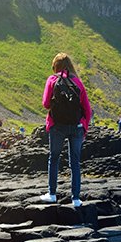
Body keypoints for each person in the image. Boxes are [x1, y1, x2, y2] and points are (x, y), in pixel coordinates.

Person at [40, 52, 94, 207]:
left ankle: (52, 194)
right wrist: (84, 127)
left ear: (55, 66)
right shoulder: (77, 82)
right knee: (75, 162)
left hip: (57, 126)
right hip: (76, 127)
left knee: (54, 158)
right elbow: (87, 109)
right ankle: (76, 199)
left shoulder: (52, 80)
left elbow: (45, 103)